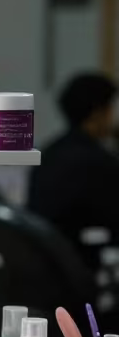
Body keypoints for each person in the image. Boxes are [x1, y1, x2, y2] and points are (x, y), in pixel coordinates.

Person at [29, 72, 119, 251]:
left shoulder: (49, 152)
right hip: (79, 262)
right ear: (98, 112)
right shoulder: (98, 161)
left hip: (41, 257)